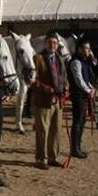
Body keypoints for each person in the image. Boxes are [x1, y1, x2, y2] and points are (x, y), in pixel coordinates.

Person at [30, 32, 66, 169]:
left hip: (57, 100)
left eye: (55, 43)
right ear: (45, 43)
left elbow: (64, 77)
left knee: (56, 130)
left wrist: (66, 87)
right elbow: (32, 80)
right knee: (42, 131)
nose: (52, 45)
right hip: (43, 101)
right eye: (50, 42)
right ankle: (41, 159)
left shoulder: (60, 59)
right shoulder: (38, 59)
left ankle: (53, 157)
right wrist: (45, 88)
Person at [68, 40, 96, 158]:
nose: (88, 51)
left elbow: (87, 79)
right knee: (77, 122)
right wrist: (88, 90)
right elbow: (78, 80)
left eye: (89, 49)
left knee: (82, 121)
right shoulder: (76, 62)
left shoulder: (85, 61)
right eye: (85, 48)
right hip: (78, 95)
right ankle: (74, 149)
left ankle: (78, 146)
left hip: (84, 95)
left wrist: (91, 88)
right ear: (79, 49)